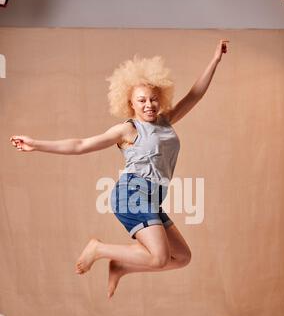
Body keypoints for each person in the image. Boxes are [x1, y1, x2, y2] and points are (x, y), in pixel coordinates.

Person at [10, 39, 229, 298]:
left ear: (161, 99)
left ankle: (122, 265)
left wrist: (215, 60)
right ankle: (99, 249)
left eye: (154, 99)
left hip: (152, 198)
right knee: (159, 257)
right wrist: (36, 144)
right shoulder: (128, 129)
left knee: (181, 257)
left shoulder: (165, 122)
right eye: (142, 100)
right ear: (131, 103)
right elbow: (81, 144)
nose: (149, 105)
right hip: (132, 194)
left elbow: (195, 94)